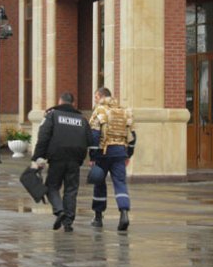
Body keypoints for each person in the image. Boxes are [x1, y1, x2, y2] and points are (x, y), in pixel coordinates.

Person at [31, 92, 93, 232]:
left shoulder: (52, 115)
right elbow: (90, 140)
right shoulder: (82, 119)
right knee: (71, 189)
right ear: (73, 103)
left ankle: (59, 211)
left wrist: (37, 157)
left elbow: (43, 136)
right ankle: (68, 222)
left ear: (60, 101)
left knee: (52, 187)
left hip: (57, 158)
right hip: (75, 160)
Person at [89, 87, 136, 231]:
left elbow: (95, 135)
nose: (95, 99)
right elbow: (132, 136)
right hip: (120, 152)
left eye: (96, 97)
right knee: (120, 183)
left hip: (103, 152)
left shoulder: (99, 111)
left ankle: (98, 218)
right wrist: (128, 154)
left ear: (102, 97)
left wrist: (93, 156)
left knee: (99, 183)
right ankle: (124, 213)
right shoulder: (124, 111)